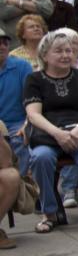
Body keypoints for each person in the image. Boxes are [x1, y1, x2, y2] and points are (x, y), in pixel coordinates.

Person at [24, 29, 78, 234]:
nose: (66, 55)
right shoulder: (34, 79)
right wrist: (58, 134)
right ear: (45, 55)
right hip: (47, 135)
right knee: (41, 157)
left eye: (69, 50)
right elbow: (33, 114)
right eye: (59, 51)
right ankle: (49, 213)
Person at [0, 26, 33, 173]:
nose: (2, 47)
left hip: (17, 122)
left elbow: (32, 100)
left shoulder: (22, 66)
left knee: (21, 139)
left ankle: (22, 183)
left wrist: (26, 124)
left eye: (5, 43)